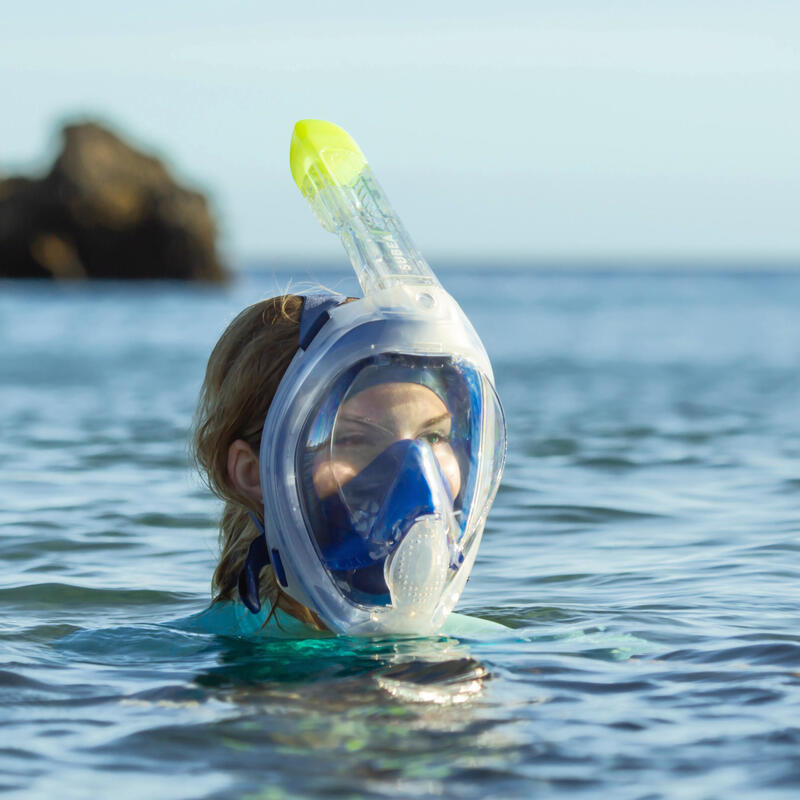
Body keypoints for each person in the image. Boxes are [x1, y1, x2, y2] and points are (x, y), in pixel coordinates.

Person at [187, 119, 507, 638]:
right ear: (252, 474)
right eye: (354, 438)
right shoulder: (197, 667)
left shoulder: (498, 651)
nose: (414, 473)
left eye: (433, 437)